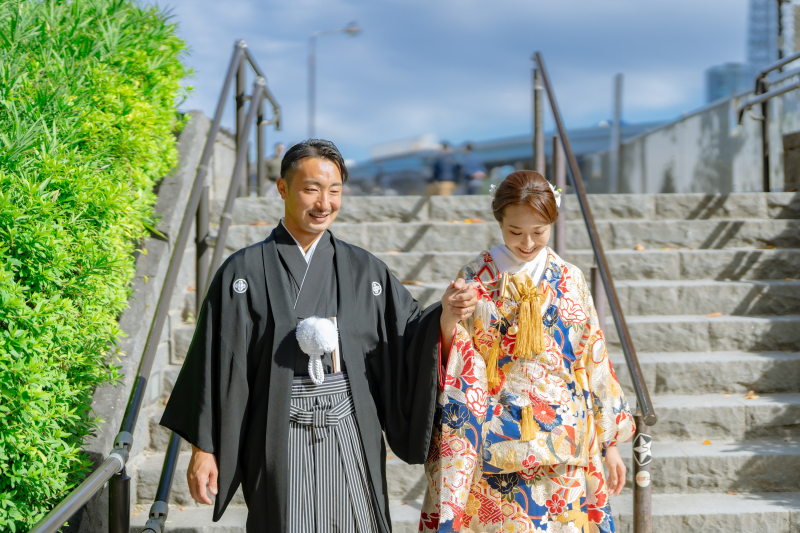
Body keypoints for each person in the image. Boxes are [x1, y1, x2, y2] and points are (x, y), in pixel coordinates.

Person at [160, 139, 479, 533]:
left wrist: (446, 315)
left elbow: (411, 336)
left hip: (350, 424)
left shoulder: (366, 271)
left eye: (334, 190)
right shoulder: (243, 272)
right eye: (311, 189)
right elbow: (215, 362)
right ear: (283, 188)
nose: (324, 203)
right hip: (278, 429)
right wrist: (204, 449)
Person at [420, 170, 635, 533]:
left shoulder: (570, 278)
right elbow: (454, 355)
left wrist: (610, 444)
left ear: (553, 222)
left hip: (563, 439)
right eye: (515, 232)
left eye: (540, 231)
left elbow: (592, 358)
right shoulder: (475, 278)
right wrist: (448, 316)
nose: (528, 242)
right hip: (492, 436)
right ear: (499, 221)